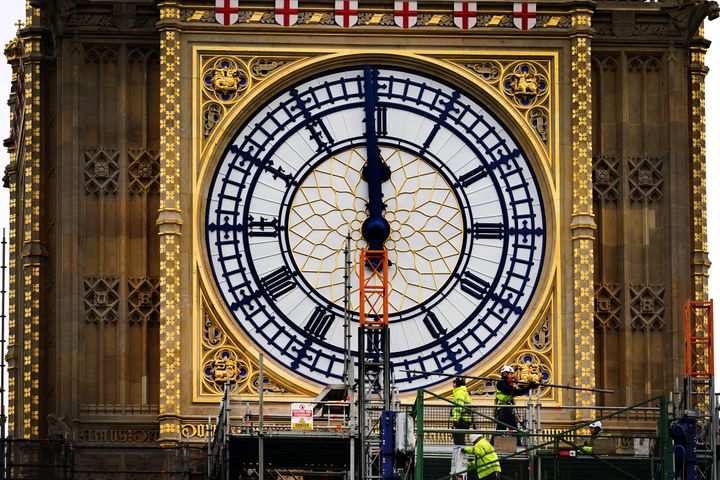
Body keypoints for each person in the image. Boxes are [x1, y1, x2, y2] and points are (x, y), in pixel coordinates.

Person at [494, 365, 537, 433]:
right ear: (505, 374)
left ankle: (494, 442)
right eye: (511, 374)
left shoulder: (508, 384)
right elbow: (508, 390)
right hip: (503, 409)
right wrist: (512, 383)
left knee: (503, 429)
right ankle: (518, 443)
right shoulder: (500, 383)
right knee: (511, 429)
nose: (512, 376)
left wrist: (529, 387)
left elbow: (518, 392)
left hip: (508, 409)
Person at [452, 376, 473, 445]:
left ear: (458, 384)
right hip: (465, 419)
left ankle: (461, 454)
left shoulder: (459, 392)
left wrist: (455, 419)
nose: (453, 384)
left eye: (454, 383)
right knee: (460, 439)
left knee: (458, 440)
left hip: (461, 420)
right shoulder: (463, 391)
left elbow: (458, 407)